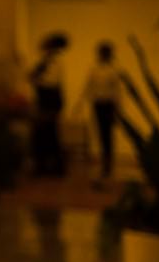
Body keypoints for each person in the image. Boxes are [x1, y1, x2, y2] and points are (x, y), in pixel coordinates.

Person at [78, 41, 123, 183]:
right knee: (100, 132)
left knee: (108, 134)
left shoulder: (114, 70)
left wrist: (118, 109)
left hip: (109, 105)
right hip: (97, 105)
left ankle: (108, 163)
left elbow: (117, 92)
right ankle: (104, 161)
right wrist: (81, 102)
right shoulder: (94, 69)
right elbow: (88, 86)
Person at [29, 32, 69, 178]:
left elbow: (51, 82)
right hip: (45, 98)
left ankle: (55, 167)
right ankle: (47, 167)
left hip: (50, 99)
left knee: (49, 133)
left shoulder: (55, 61)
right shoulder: (46, 60)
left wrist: (35, 79)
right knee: (44, 133)